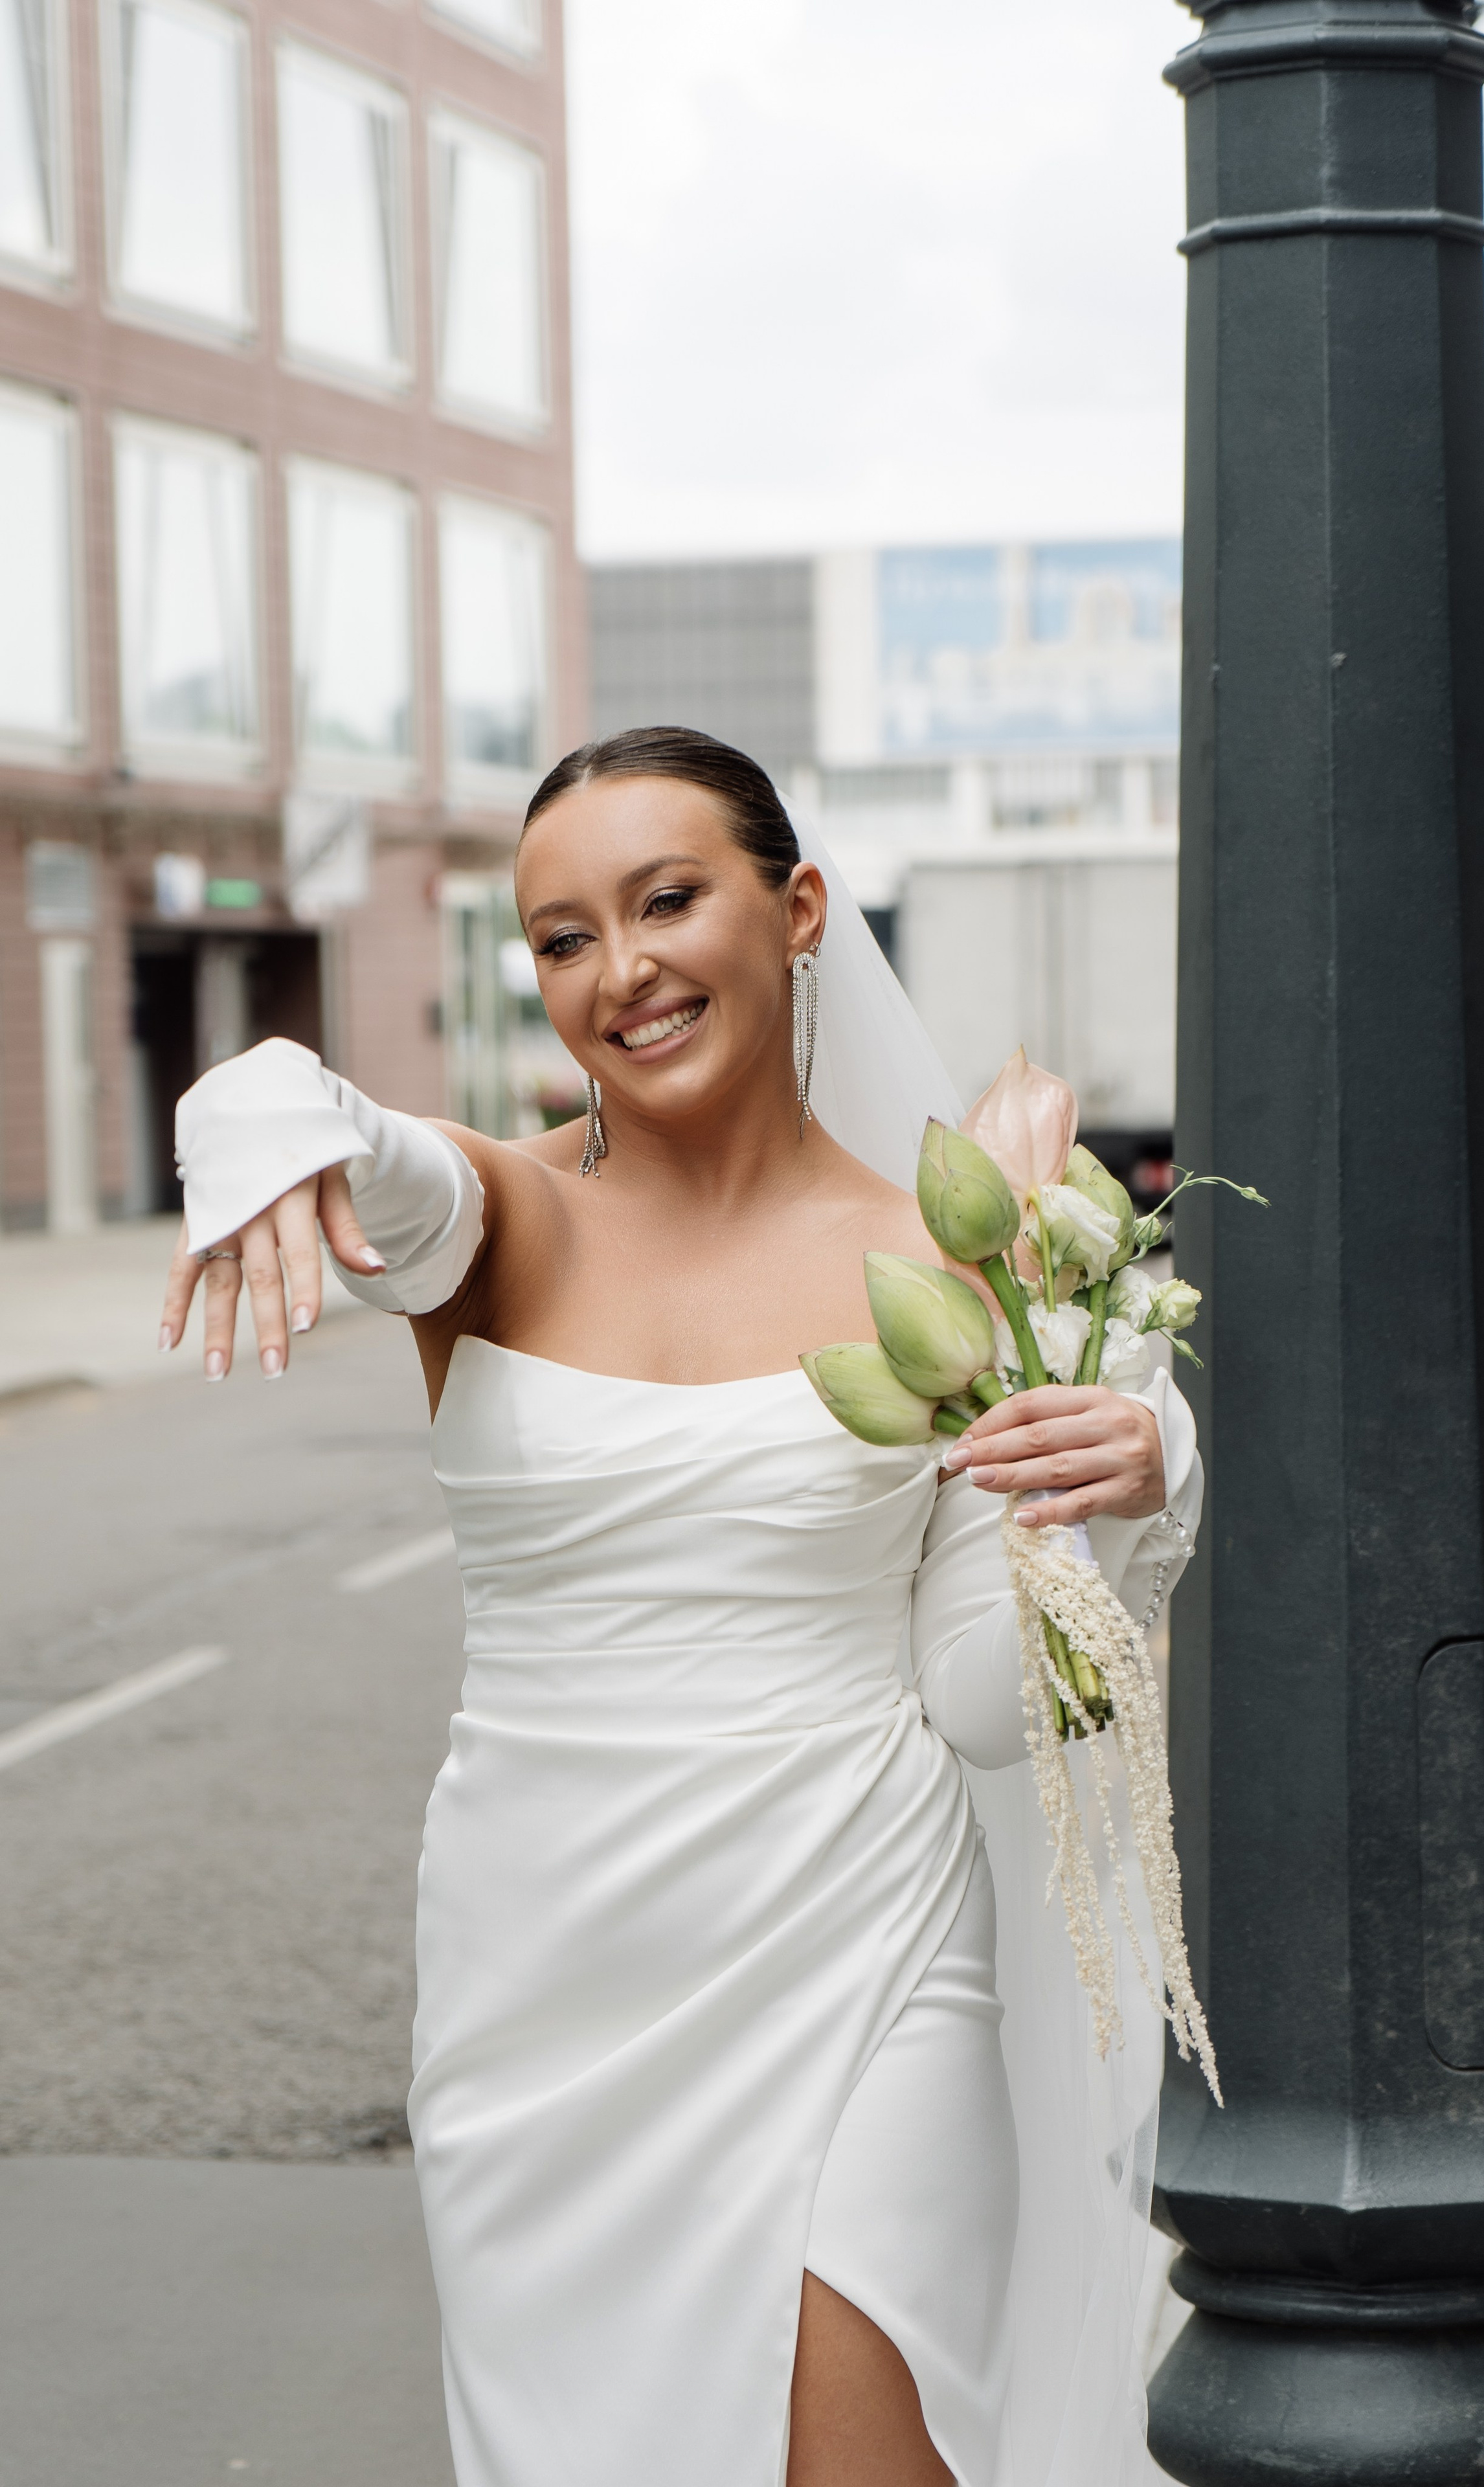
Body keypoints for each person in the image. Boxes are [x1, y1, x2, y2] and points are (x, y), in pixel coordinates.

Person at [161, 727, 1203, 2487]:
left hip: (863, 1948)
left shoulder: (962, 1263)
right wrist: (259, 1113)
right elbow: (342, 1132)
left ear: (796, 908)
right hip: (545, 1993)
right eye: (563, 936)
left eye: (667, 900)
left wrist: (1134, 1451)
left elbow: (973, 1692)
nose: (620, 971)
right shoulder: (495, 1223)